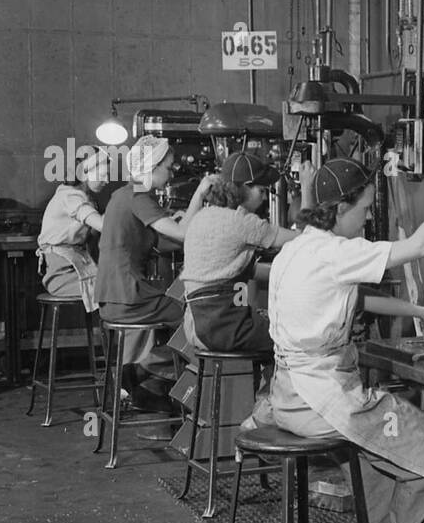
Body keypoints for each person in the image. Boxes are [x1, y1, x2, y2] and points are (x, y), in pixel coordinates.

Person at [249, 158, 424, 523]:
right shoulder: (335, 252)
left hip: (287, 397)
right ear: (341, 209)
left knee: (381, 465)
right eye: (364, 208)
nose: (368, 217)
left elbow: (355, 297)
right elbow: (419, 245)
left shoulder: (296, 249)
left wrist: (420, 312)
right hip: (322, 402)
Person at [94, 134, 217, 412]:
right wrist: (200, 193)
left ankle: (146, 375)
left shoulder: (123, 194)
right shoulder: (140, 195)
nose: (172, 173)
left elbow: (162, 242)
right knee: (197, 319)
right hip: (128, 297)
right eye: (169, 167)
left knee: (183, 319)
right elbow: (183, 235)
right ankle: (156, 375)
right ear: (151, 166)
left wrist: (177, 218)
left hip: (111, 296)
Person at [180, 151, 297, 354]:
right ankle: (272, 386)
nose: (263, 198)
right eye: (261, 191)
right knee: (298, 336)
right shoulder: (240, 222)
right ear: (245, 187)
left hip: (195, 323)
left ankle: (264, 385)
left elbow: (235, 270)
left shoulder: (204, 216)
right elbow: (303, 239)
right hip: (221, 328)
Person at [36, 147, 112, 310]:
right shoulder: (71, 197)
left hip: (74, 268)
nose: (107, 180)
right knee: (115, 289)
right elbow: (103, 226)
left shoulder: (82, 197)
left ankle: (117, 333)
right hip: (61, 274)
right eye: (103, 174)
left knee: (115, 285)